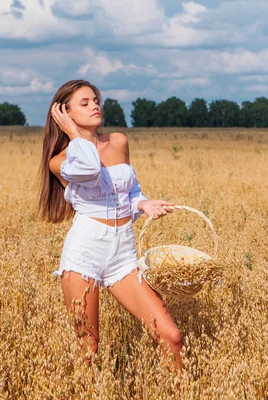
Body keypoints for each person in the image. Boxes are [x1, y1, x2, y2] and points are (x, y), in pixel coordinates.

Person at [38, 80, 184, 370]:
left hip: (122, 255)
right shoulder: (61, 161)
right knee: (88, 349)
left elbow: (127, 191)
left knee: (172, 336)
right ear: (63, 113)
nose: (95, 106)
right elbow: (91, 170)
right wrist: (74, 134)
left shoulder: (118, 141)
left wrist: (144, 204)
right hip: (85, 255)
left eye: (96, 100)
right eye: (84, 103)